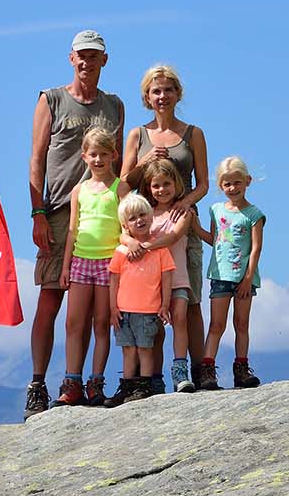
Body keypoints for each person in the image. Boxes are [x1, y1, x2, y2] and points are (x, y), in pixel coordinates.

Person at [25, 30, 125, 416]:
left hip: (103, 215)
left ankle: (78, 382)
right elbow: (36, 160)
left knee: (93, 310)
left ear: (104, 60)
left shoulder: (114, 107)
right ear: (71, 59)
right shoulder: (51, 100)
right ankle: (37, 384)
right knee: (50, 300)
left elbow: (119, 164)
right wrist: (37, 213)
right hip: (57, 211)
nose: (86, 62)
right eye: (81, 56)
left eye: (94, 56)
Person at [119, 64, 212, 391]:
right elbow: (123, 184)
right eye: (156, 91)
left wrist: (186, 202)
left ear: (178, 94)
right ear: (147, 97)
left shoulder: (193, 134)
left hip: (182, 221)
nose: (162, 96)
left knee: (191, 300)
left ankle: (201, 371)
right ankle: (152, 377)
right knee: (151, 305)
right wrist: (143, 163)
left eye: (168, 90)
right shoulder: (137, 135)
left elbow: (204, 183)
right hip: (148, 225)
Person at [135, 156, 216, 392]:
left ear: (177, 184)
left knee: (180, 318)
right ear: (149, 188)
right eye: (156, 185)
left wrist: (146, 246)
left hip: (178, 276)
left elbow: (173, 237)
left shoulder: (184, 212)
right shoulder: (146, 213)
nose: (161, 190)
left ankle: (180, 369)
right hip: (153, 281)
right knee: (156, 328)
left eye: (167, 184)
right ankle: (154, 376)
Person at [54, 126, 121, 406]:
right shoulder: (78, 190)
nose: (98, 160)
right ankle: (72, 383)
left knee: (102, 324)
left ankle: (96, 382)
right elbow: (72, 230)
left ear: (113, 155)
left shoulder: (120, 187)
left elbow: (126, 224)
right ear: (84, 156)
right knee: (73, 323)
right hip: (81, 260)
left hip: (109, 262)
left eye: (104, 154)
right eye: (93, 154)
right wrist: (66, 266)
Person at [203, 156, 266, 390]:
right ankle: (207, 371)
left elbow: (256, 247)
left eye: (237, 183)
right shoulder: (215, 210)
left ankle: (241, 369)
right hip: (220, 275)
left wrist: (248, 279)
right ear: (221, 186)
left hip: (244, 278)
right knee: (216, 325)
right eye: (227, 184)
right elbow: (215, 240)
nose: (232, 188)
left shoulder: (253, 215)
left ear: (247, 181)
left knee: (241, 323)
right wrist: (195, 228)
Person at [106, 192, 175, 405]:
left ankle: (144, 386)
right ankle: (127, 387)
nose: (139, 220)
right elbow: (114, 282)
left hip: (148, 311)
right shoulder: (120, 252)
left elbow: (167, 279)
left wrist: (164, 305)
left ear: (151, 216)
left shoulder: (160, 250)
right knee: (128, 350)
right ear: (126, 226)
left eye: (143, 215)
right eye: (133, 218)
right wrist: (113, 309)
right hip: (124, 311)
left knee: (145, 349)